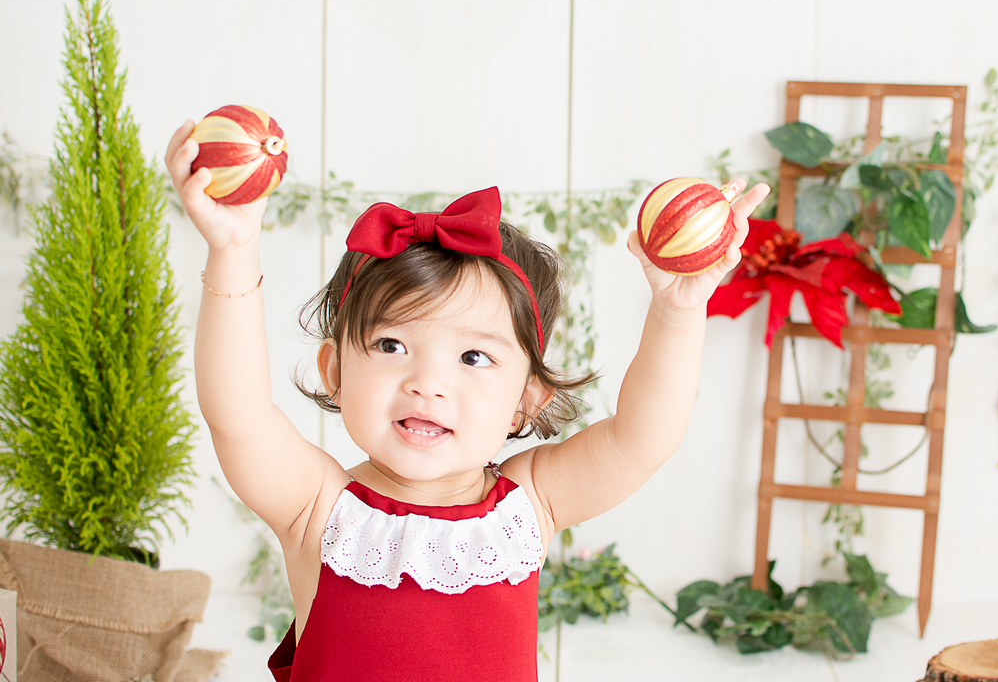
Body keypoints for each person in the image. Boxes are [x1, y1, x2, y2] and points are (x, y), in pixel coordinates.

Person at [164, 121, 769, 681]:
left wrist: (679, 310)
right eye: (392, 343)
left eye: (473, 358)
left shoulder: (530, 505)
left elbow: (641, 437)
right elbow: (237, 414)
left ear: (524, 401)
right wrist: (233, 251)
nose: (429, 383)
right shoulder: (317, 509)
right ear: (335, 371)